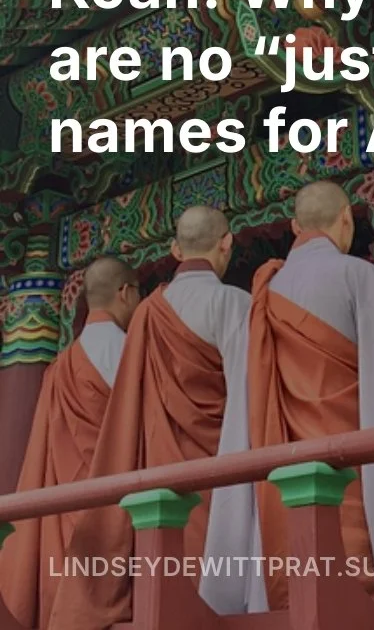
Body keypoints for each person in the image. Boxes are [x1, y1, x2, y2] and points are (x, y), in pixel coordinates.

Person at [200, 181, 374, 614]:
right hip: (355, 470)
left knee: (297, 572)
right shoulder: (360, 276)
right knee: (364, 576)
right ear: (347, 219)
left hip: (285, 474)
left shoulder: (264, 294)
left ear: (294, 226)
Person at [48, 207, 251, 630]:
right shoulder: (235, 302)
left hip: (160, 479)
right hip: (225, 471)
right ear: (227, 242)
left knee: (167, 586)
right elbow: (251, 396)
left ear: (175, 249)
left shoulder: (147, 314)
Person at [0, 256, 140, 629]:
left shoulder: (60, 366)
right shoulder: (133, 352)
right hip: (117, 505)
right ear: (125, 293)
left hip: (65, 505)